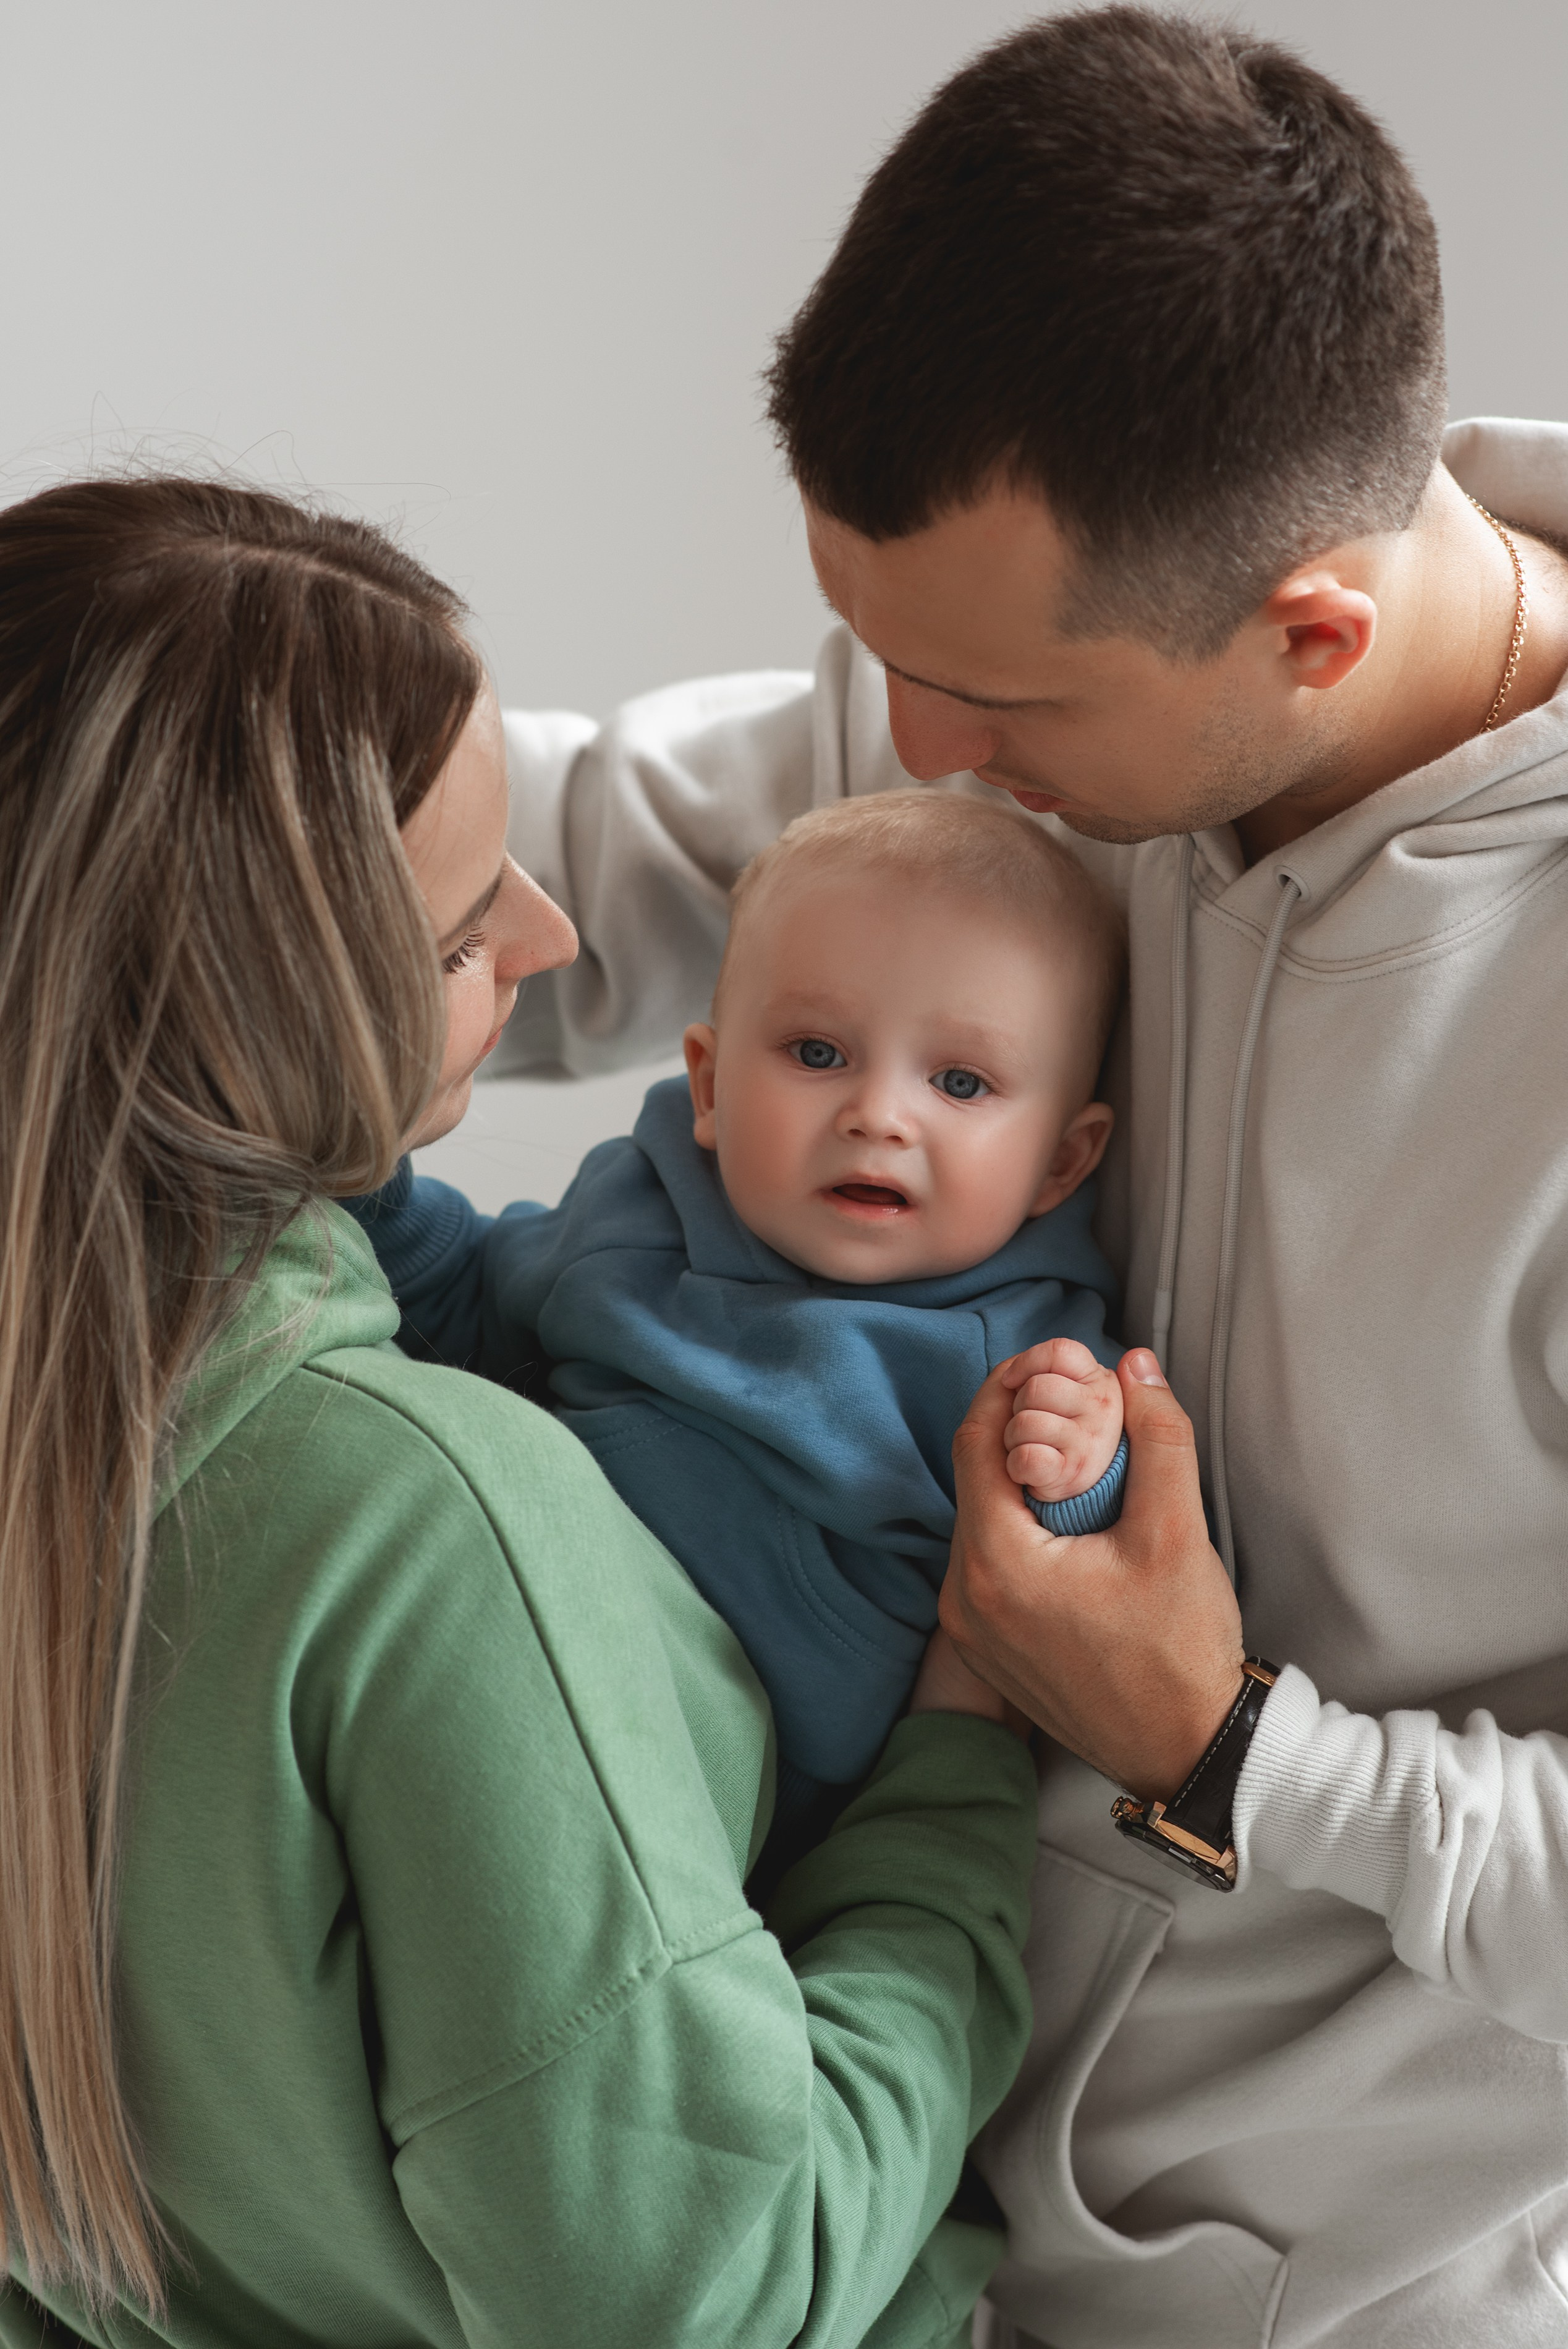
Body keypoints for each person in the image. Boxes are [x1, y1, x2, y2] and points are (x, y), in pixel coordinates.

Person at [474, 11, 1568, 2342]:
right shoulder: (1077, 667)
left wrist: (1232, 1747)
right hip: (835, 2195)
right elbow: (549, 852)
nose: (911, 757)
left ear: (1309, 636)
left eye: (991, 708)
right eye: (872, 655)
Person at [0, 475, 1049, 2349]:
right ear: (274, 1000)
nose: (558, 942)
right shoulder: (433, 1527)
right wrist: (959, 1781)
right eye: (470, 927)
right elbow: (695, 2296)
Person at [349, 790, 1129, 1864]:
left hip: (764, 1807)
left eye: (959, 1082)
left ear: (1060, 1162)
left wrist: (1081, 1468)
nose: (878, 1115)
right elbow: (473, 1301)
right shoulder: (639, 1209)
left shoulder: (1017, 1350)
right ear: (708, 1085)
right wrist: (367, 1190)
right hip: (508, 1680)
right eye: (817, 1053)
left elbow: (1066, 1572)